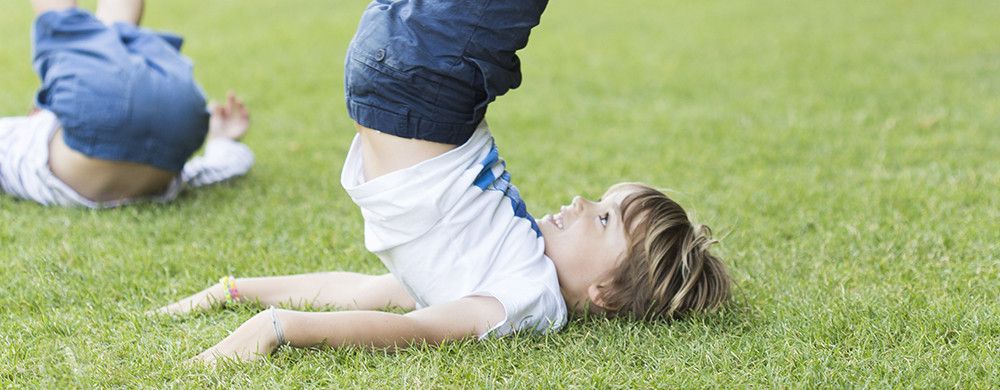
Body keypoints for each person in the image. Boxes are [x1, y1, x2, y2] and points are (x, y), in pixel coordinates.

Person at [155, 0, 731, 363]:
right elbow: (360, 290)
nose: (581, 202)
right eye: (600, 201)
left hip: (423, 80)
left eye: (603, 218)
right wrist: (232, 290)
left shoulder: (527, 297)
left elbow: (415, 328)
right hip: (414, 80)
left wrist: (280, 328)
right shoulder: (500, 261)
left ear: (603, 295)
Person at [1, 0, 253, 208]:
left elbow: (212, 171)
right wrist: (223, 141)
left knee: (114, 37)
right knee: (68, 24)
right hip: (103, 118)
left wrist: (223, 141)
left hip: (179, 116)